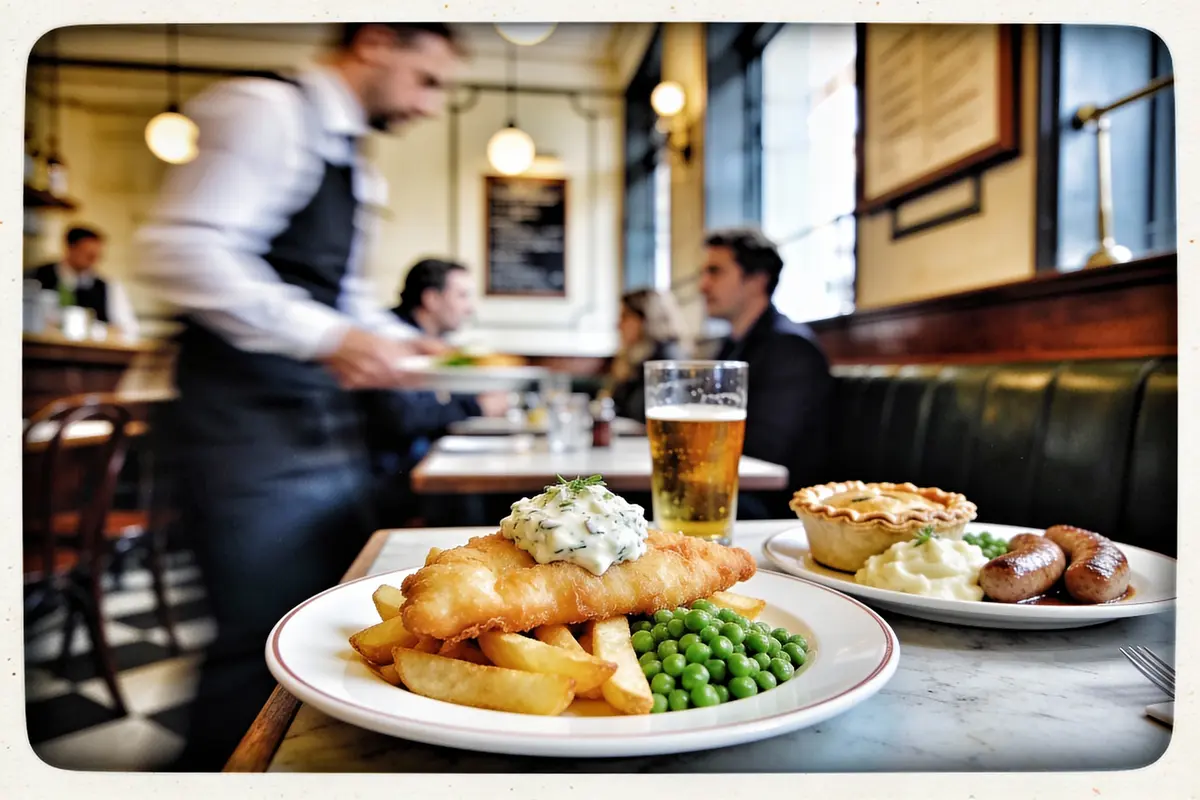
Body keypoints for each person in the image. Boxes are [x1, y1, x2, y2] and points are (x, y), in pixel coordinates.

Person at [131, 22, 465, 771]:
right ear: (376, 41)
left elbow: (337, 295)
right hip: (242, 425)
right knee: (258, 640)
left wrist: (396, 342)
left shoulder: (354, 164)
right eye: (427, 77)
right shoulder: (264, 111)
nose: (428, 104)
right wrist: (328, 339)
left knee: (321, 619)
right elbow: (183, 248)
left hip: (315, 422)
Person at [698, 227, 834, 519]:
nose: (703, 285)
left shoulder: (789, 348)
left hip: (782, 508)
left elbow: (762, 453)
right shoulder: (732, 346)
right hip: (733, 489)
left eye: (715, 272)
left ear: (756, 280)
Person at [371, 258, 508, 525]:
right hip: (388, 479)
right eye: (462, 295)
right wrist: (479, 407)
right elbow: (402, 416)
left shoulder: (434, 344)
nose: (470, 308)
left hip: (411, 468)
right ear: (432, 299)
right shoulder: (392, 342)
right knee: (478, 500)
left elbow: (447, 398)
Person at [30, 226, 140, 336]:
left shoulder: (107, 287)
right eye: (88, 255)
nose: (93, 261)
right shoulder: (37, 276)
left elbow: (129, 329)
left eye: (96, 256)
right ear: (70, 248)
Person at [607, 288, 689, 422]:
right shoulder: (635, 358)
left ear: (647, 319)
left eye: (625, 316)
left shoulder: (667, 362)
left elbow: (643, 415)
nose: (618, 325)